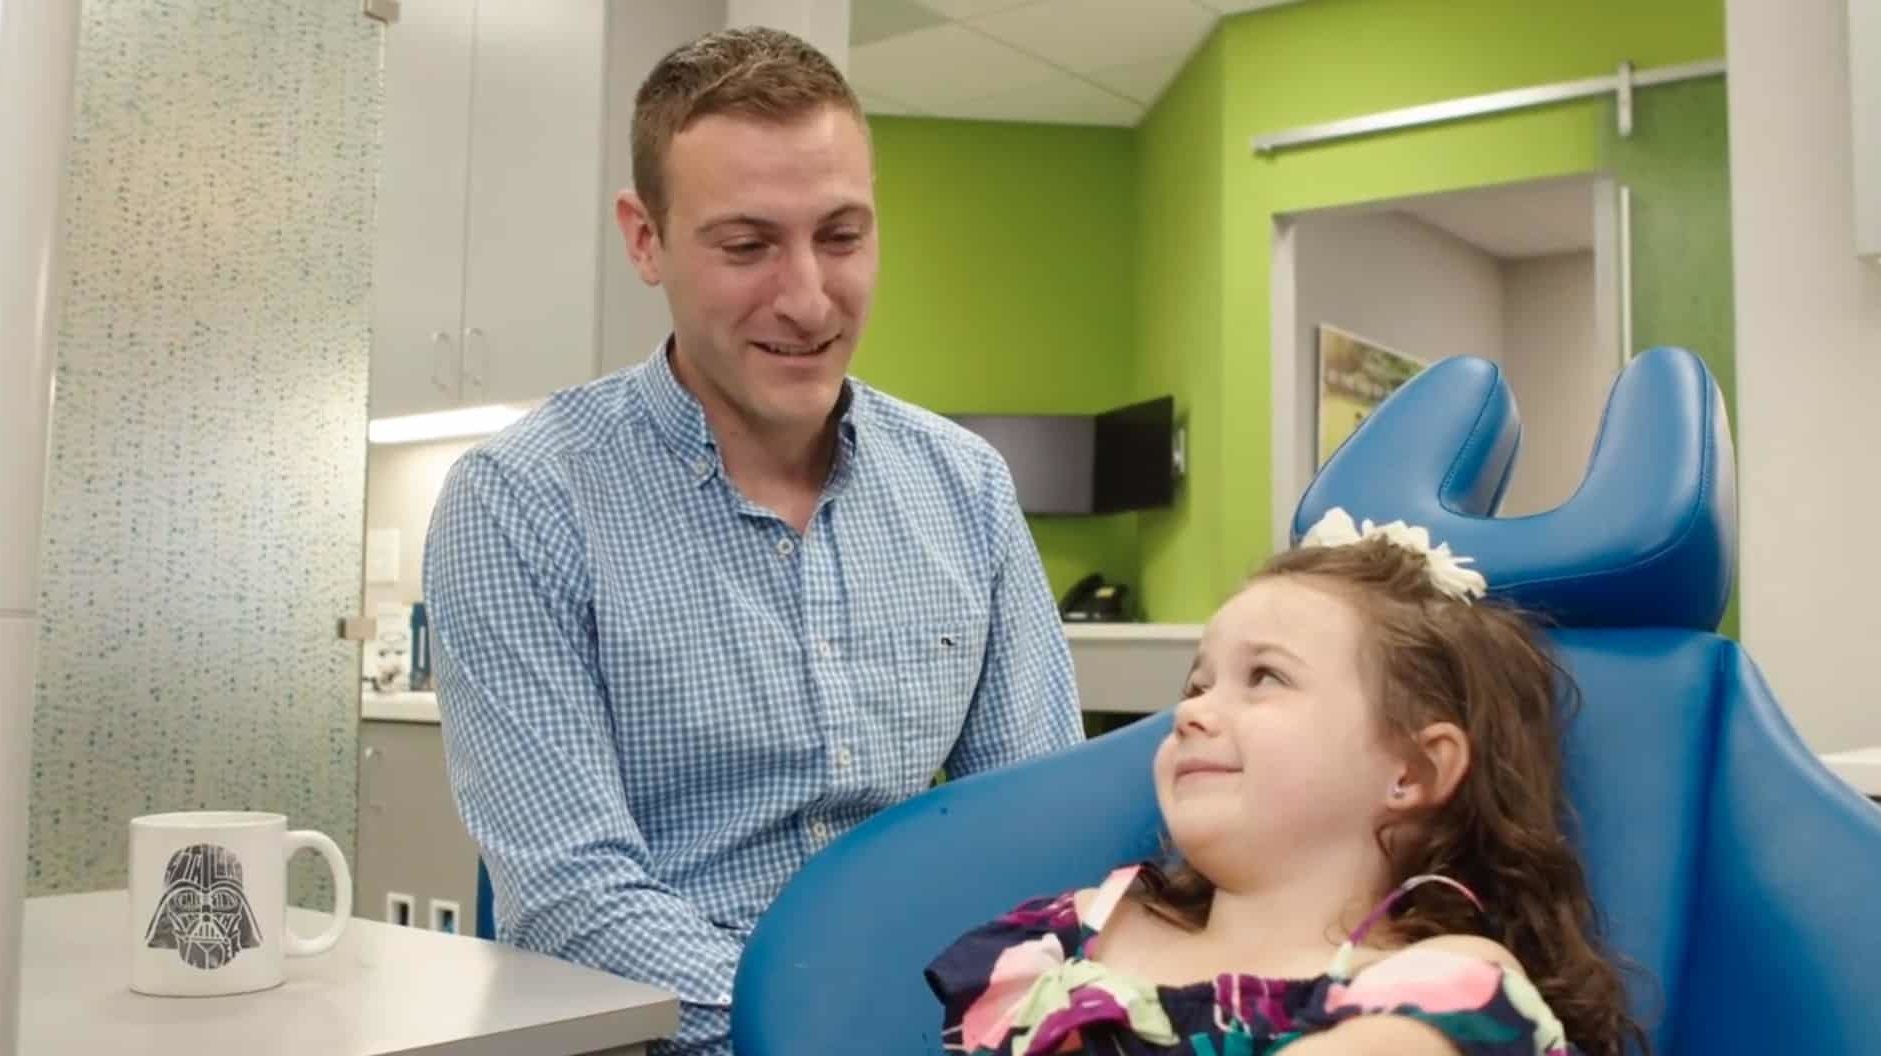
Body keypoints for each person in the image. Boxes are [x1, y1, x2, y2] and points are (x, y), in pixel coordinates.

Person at [423, 27, 1082, 1055]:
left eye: (841, 235)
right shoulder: (521, 504)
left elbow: (1045, 833)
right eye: (747, 245)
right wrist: (847, 1025)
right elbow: (573, 900)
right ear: (646, 240)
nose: (809, 298)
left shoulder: (966, 489)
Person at [927, 508, 1646, 1056]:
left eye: (1264, 677)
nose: (1193, 711)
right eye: (1197, 682)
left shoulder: (1449, 986)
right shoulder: (1060, 940)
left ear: (1412, 770)